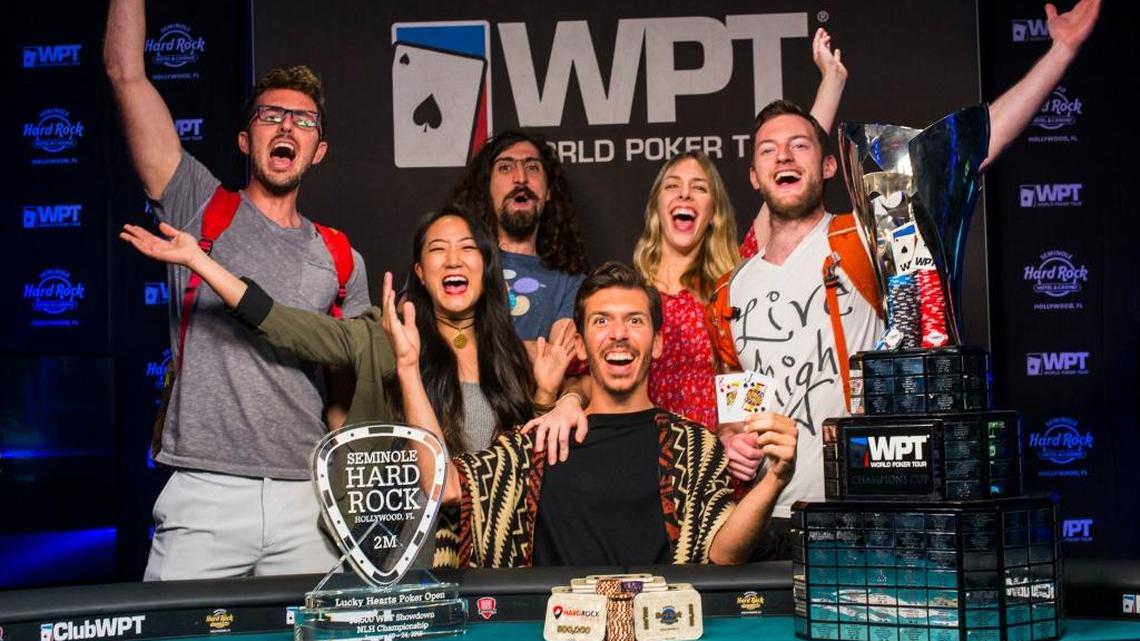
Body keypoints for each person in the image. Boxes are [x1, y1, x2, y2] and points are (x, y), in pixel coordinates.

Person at [712, 0, 1101, 560]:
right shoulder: (729, 293)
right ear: (753, 176)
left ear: (826, 165)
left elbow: (965, 153)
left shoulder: (867, 235)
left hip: (874, 508)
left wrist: (1061, 51)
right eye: (768, 150)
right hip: (776, 521)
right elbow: (739, 416)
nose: (784, 156)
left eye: (801, 144)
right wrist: (735, 443)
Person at [120, 207, 585, 566]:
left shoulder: (517, 355)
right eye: (437, 249)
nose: (453, 259)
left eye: (467, 248)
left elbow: (546, 436)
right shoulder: (378, 339)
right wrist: (200, 261)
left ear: (487, 266)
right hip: (404, 556)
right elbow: (284, 325)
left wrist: (560, 398)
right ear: (420, 273)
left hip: (498, 558)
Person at [105, 0, 370, 579]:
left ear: (318, 151)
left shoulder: (342, 256)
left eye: (303, 122)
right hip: (204, 491)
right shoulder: (199, 204)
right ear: (246, 140)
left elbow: (345, 394)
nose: (286, 128)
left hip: (307, 498)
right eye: (271, 116)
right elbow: (125, 74)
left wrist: (346, 494)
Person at [382, 261, 798, 567]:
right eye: (602, 321)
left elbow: (723, 555)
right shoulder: (539, 440)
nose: (618, 334)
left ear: (656, 344)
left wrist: (776, 478)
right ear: (580, 344)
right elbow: (447, 486)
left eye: (634, 320)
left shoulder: (693, 447)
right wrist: (408, 369)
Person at [630, 28, 847, 429]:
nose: (685, 196)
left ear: (712, 211)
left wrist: (831, 84)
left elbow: (788, 173)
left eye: (699, 189)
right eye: (673, 187)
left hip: (724, 461)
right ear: (658, 206)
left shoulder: (733, 281)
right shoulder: (628, 291)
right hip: (649, 461)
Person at [447, 129, 589, 344]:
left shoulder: (570, 281)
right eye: (505, 167)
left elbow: (556, 360)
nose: (521, 178)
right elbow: (415, 324)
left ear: (549, 190)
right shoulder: (453, 258)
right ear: (486, 187)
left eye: (532, 168)